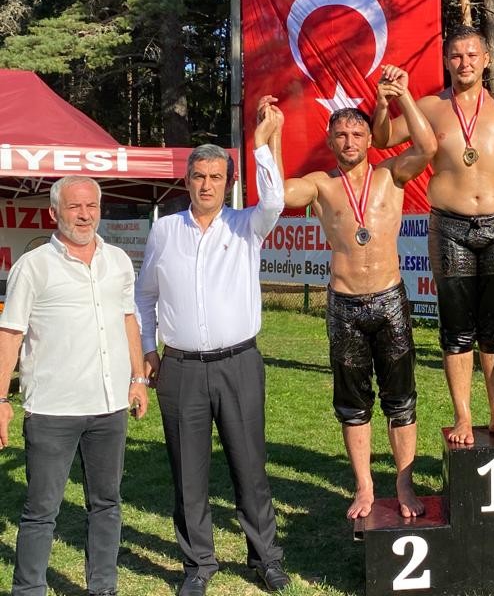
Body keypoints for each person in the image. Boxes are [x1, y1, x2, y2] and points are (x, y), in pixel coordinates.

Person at [372, 25, 494, 445]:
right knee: (457, 329)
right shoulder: (430, 106)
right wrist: (382, 102)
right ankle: (463, 416)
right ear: (447, 61)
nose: (464, 63)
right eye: (456, 56)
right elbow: (384, 138)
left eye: (472, 55)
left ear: (486, 61)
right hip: (450, 226)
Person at [135, 99, 290, 596]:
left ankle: (265, 557)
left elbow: (275, 201)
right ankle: (198, 564)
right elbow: (144, 295)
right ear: (187, 181)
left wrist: (262, 144)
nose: (206, 185)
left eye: (216, 177)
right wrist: (148, 348)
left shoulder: (246, 225)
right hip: (180, 368)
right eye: (199, 176)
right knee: (188, 474)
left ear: (228, 182)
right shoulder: (164, 230)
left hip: (238, 364)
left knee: (250, 466)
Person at [281, 66, 435, 520]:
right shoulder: (321, 185)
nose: (349, 141)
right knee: (352, 403)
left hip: (389, 299)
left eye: (356, 134)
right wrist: (269, 137)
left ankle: (403, 483)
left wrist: (403, 96)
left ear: (370, 139)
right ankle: (365, 486)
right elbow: (279, 194)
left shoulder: (391, 174)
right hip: (345, 303)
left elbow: (428, 147)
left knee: (401, 399)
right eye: (341, 135)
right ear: (330, 141)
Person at [0, 176, 149, 596]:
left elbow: (127, 319)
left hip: (108, 406)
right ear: (54, 213)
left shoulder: (118, 261)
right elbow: (10, 334)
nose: (84, 215)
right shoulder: (33, 266)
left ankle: (103, 587)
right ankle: (29, 589)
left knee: (106, 504)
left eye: (91, 206)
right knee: (41, 511)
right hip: (53, 409)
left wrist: (138, 378)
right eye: (74, 207)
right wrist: (0, 399)